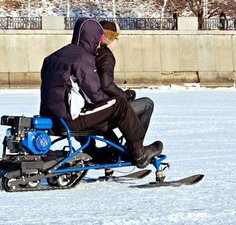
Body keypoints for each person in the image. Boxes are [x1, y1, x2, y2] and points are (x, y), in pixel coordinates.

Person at [40, 17, 162, 169]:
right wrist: (111, 102)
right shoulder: (82, 57)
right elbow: (95, 93)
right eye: (99, 39)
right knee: (119, 104)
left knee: (112, 105)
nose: (99, 45)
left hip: (52, 119)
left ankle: (109, 149)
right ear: (93, 38)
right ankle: (138, 152)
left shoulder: (54, 56)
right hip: (71, 120)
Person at [96, 20, 154, 141]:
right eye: (116, 39)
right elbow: (106, 85)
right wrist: (125, 95)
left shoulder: (89, 54)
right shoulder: (105, 55)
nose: (116, 43)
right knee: (148, 104)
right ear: (109, 38)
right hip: (101, 116)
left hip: (90, 113)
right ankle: (136, 148)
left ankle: (115, 147)